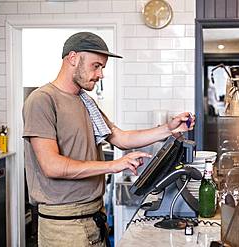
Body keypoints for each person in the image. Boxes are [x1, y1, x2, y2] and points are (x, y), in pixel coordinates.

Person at [22, 32, 195, 247]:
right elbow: (51, 166)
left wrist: (169, 129)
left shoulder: (85, 101)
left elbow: (121, 138)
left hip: (93, 214)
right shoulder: (42, 100)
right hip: (64, 226)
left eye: (102, 67)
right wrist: (113, 165)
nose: (101, 74)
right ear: (73, 58)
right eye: (96, 66)